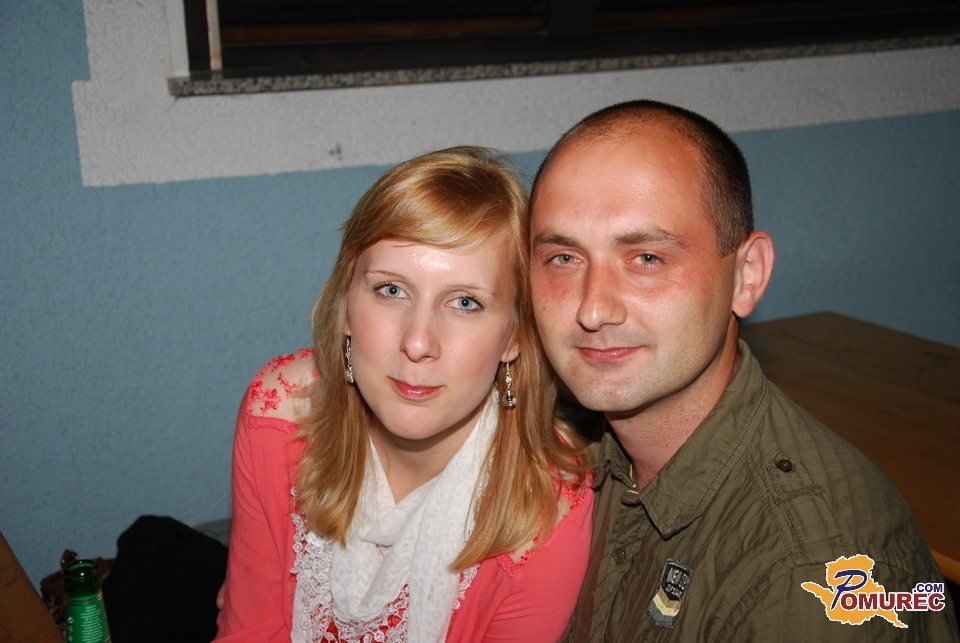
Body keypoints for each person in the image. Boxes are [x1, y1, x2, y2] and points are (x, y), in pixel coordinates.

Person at [528, 100, 959, 641]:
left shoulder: (806, 575)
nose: (593, 309)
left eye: (647, 259)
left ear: (746, 276)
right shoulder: (564, 445)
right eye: (564, 259)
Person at [215, 146, 593, 642]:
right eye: (392, 290)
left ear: (515, 336)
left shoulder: (547, 513)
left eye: (465, 302)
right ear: (346, 306)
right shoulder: (279, 413)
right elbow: (250, 630)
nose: (417, 343)